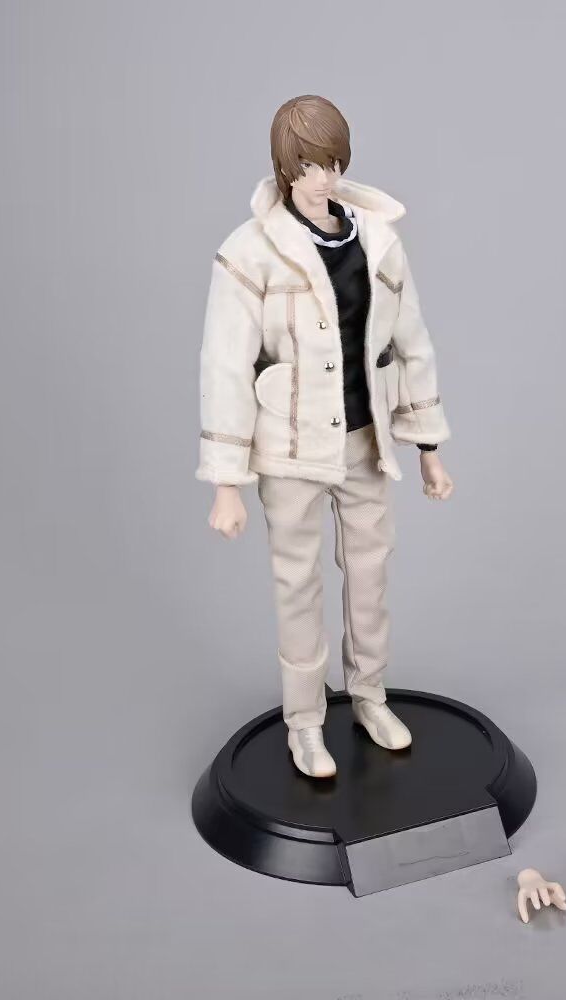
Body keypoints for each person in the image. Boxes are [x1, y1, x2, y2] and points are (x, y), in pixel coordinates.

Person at [196, 95, 454, 778]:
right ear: (286, 167)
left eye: (334, 163)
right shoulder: (249, 252)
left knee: (370, 578)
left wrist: (428, 448)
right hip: (289, 450)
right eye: (310, 165)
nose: (324, 178)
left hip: (367, 441)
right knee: (298, 588)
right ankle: (305, 722)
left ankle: (370, 696)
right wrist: (227, 483)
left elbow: (412, 342)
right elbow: (225, 367)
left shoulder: (378, 240)